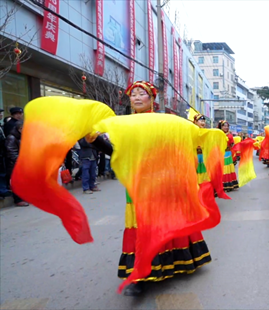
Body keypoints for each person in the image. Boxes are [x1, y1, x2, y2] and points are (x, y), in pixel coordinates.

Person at [88, 81, 212, 296]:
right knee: (140, 222)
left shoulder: (165, 122)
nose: (136, 97)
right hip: (137, 180)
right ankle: (140, 272)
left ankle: (176, 260)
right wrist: (96, 141)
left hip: (164, 179)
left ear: (152, 99)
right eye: (132, 94)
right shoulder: (122, 124)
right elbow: (116, 152)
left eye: (141, 94)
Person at [5, 121, 28, 206]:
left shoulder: (20, 137)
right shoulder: (11, 138)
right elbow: (11, 152)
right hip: (14, 164)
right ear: (20, 128)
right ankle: (18, 200)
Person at [217, 120, 239, 191]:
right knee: (222, 168)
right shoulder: (218, 134)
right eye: (224, 126)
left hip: (228, 153)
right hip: (220, 153)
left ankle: (229, 183)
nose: (226, 127)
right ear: (221, 126)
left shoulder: (230, 134)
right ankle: (221, 184)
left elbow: (232, 144)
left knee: (228, 168)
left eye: (227, 126)